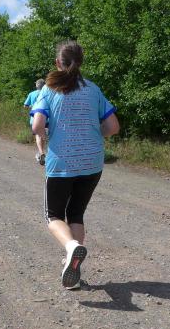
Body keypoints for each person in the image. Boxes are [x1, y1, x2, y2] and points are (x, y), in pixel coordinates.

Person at [30, 41, 120, 290]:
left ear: (57, 63)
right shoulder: (93, 89)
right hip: (92, 161)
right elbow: (113, 127)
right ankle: (74, 273)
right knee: (76, 212)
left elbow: (37, 126)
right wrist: (93, 134)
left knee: (53, 215)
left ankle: (71, 248)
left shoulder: (48, 89)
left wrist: (48, 136)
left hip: (62, 161)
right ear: (80, 62)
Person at [24, 78, 47, 165]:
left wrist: (32, 106)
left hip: (34, 118)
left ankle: (41, 152)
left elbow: (25, 105)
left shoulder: (32, 94)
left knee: (38, 135)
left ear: (36, 85)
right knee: (44, 135)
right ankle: (43, 152)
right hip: (46, 118)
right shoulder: (47, 94)